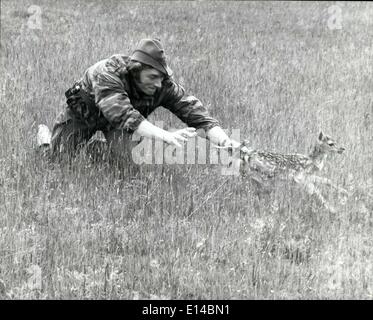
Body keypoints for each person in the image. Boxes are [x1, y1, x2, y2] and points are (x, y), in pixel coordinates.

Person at [50, 38, 241, 167]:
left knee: (127, 164)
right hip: (84, 114)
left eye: (161, 77)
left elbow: (196, 114)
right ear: (136, 70)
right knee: (56, 160)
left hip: (119, 126)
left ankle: (97, 149)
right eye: (152, 77)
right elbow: (121, 113)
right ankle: (46, 139)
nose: (158, 84)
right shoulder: (108, 72)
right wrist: (165, 135)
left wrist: (226, 142)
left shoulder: (163, 84)